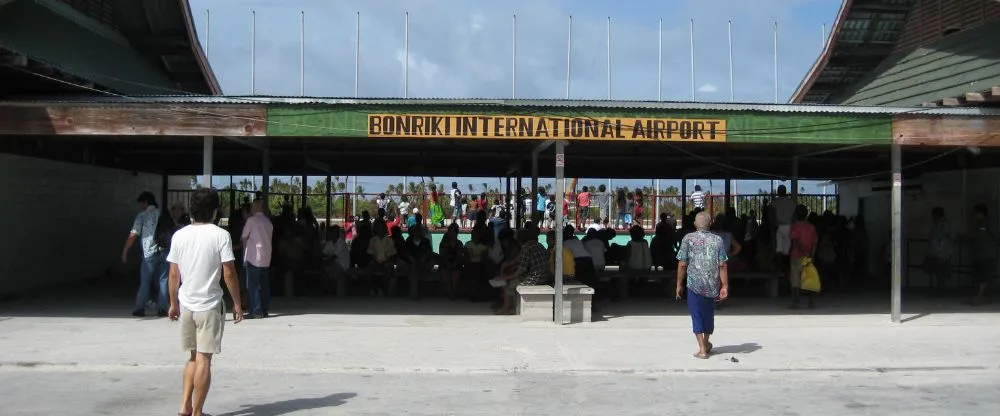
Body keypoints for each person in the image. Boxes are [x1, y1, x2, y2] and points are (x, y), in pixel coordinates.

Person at [166, 188, 243, 416]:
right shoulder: (220, 235)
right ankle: (197, 412)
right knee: (204, 360)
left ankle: (184, 407)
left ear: (191, 209)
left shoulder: (179, 235)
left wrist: (173, 303)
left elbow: (173, 274)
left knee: (192, 357)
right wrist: (237, 303)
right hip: (210, 306)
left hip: (186, 304)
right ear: (215, 211)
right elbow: (229, 273)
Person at [675, 211, 728, 359]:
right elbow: (722, 265)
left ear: (694, 224)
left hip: (694, 285)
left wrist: (679, 284)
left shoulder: (688, 239)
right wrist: (725, 286)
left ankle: (702, 349)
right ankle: (706, 343)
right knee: (708, 315)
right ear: (710, 224)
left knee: (696, 315)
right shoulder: (718, 240)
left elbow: (682, 264)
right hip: (712, 285)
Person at [122, 191, 169, 317]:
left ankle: (140, 308)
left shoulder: (142, 215)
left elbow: (133, 234)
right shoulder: (162, 214)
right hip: (164, 251)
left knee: (145, 281)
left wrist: (125, 250)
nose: (140, 206)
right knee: (163, 281)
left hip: (149, 253)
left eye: (141, 204)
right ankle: (163, 308)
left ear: (145, 202)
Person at [240, 199, 273, 319]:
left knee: (252, 284)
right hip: (266, 257)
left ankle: (256, 309)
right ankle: (264, 309)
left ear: (255, 208)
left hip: (254, 257)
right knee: (264, 285)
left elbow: (244, 236)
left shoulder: (251, 220)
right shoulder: (268, 222)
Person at [789, 205, 818, 309]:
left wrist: (803, 251)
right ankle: (811, 302)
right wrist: (811, 254)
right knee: (809, 279)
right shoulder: (811, 227)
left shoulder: (794, 226)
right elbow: (814, 242)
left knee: (795, 280)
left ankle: (795, 302)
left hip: (797, 256)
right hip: (809, 256)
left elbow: (795, 241)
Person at [968, 204, 997, 306]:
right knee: (978, 276)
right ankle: (981, 296)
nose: (974, 215)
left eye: (976, 213)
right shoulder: (979, 224)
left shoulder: (989, 223)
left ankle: (980, 297)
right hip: (979, 254)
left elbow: (996, 235)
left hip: (987, 254)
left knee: (984, 276)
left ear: (980, 213)